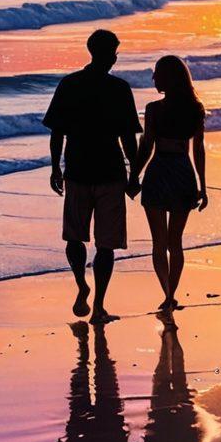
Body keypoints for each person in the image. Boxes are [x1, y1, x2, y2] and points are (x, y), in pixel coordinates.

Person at [42, 29, 141, 323]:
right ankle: (98, 305)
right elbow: (128, 139)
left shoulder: (70, 84)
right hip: (110, 172)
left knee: (75, 237)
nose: (115, 57)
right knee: (106, 243)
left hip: (77, 170)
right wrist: (134, 173)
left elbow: (57, 132)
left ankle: (81, 284)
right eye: (114, 52)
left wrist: (55, 167)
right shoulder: (119, 89)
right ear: (108, 54)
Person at [129, 55, 208, 312]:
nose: (153, 79)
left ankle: (167, 293)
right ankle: (170, 293)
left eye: (156, 74)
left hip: (159, 170)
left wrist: (134, 175)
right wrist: (202, 186)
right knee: (175, 242)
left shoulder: (154, 109)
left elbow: (147, 146)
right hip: (183, 172)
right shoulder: (195, 109)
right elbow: (198, 150)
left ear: (167, 78)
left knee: (159, 243)